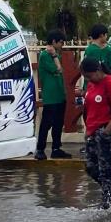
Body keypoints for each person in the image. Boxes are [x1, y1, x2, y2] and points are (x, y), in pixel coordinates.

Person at [78, 57, 111, 209]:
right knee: (91, 167)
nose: (88, 79)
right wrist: (88, 130)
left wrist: (108, 130)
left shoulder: (110, 82)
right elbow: (91, 109)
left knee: (105, 168)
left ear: (98, 71)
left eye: (89, 76)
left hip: (106, 131)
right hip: (93, 131)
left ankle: (106, 201)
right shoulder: (92, 84)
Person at [35, 29, 72, 160]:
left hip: (59, 94)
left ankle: (56, 148)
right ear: (54, 42)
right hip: (50, 96)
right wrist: (55, 56)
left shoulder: (57, 55)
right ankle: (40, 149)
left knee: (58, 123)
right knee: (46, 123)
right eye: (61, 42)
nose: (62, 45)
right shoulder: (46, 56)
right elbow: (58, 69)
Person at [82, 24, 111, 89]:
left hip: (88, 86)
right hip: (96, 87)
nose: (107, 37)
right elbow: (98, 71)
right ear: (101, 35)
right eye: (106, 35)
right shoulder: (96, 50)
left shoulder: (88, 49)